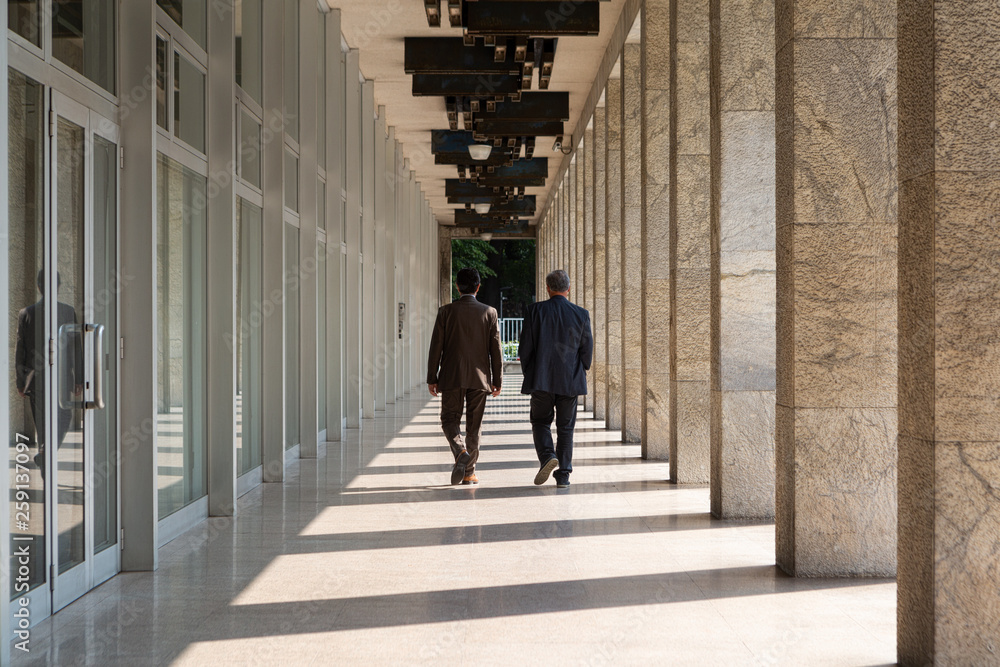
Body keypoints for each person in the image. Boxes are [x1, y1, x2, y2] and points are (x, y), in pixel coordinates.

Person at [427, 268, 503, 485]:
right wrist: (497, 381)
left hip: (451, 376)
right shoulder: (490, 312)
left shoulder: (445, 312)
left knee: (449, 419)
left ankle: (460, 451)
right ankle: (469, 472)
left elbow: (436, 348)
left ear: (457, 286)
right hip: (480, 379)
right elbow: (495, 350)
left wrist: (432, 377)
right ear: (478, 287)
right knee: (474, 425)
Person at [518, 269, 593, 488]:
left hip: (541, 378)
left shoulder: (535, 311)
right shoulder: (581, 314)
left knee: (540, 421)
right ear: (569, 289)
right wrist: (582, 369)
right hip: (569, 380)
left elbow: (526, 348)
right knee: (566, 427)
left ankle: (547, 455)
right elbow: (586, 350)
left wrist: (530, 372)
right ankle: (563, 476)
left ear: (548, 288)